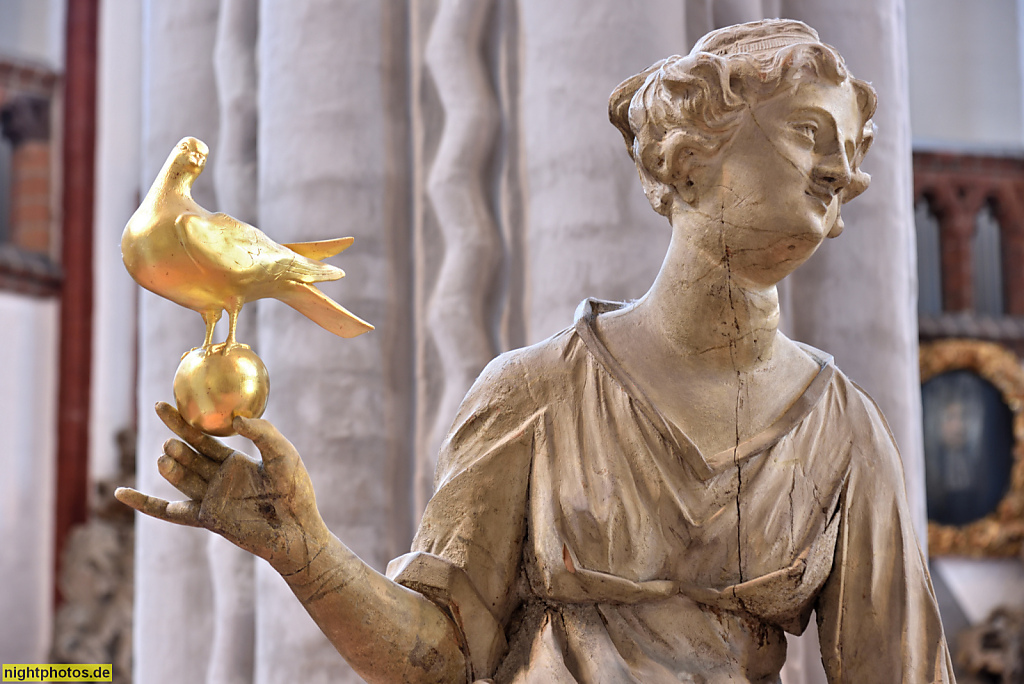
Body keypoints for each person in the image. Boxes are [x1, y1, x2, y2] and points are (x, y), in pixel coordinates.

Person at [117, 19, 954, 683]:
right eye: (811, 134)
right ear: (691, 154)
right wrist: (308, 555)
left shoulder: (843, 429)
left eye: (850, 156)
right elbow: (439, 657)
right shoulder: (540, 390)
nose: (840, 173)